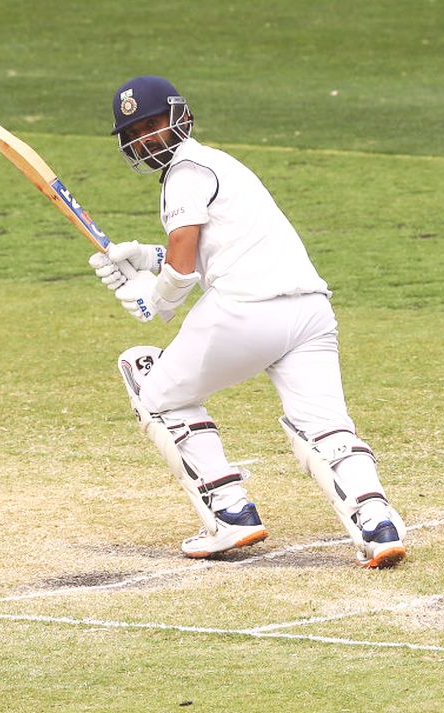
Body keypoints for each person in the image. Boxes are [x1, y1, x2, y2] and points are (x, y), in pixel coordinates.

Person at [88, 76, 406, 568]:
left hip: (246, 311)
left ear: (178, 115)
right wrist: (145, 257)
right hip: (310, 311)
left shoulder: (183, 173)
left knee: (151, 385)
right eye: (135, 132)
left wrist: (156, 300)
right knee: (325, 427)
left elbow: (184, 264)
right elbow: (218, 247)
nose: (146, 138)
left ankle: (231, 514)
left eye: (152, 124)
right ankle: (378, 524)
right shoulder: (220, 163)